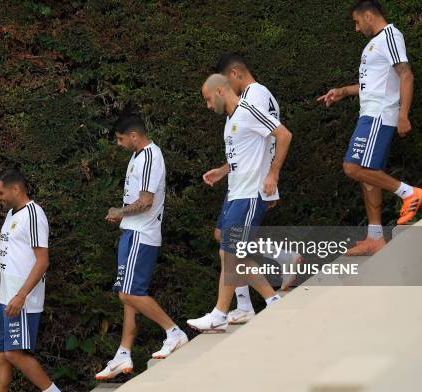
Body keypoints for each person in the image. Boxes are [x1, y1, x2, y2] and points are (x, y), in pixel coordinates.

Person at [317, 0, 422, 256]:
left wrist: (404, 114)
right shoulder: (373, 45)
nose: (356, 28)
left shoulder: (390, 35)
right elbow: (373, 86)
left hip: (379, 116)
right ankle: (375, 237)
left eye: (356, 22)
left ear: (368, 15)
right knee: (369, 176)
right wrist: (343, 91)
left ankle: (409, 193)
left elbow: (406, 74)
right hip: (369, 114)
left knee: (352, 168)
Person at [187, 74, 292, 333]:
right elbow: (244, 155)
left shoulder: (247, 110)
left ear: (221, 91)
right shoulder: (231, 119)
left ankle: (220, 313)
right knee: (230, 252)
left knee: (232, 251)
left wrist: (273, 174)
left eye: (208, 99)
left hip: (250, 195)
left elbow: (283, 134)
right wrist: (222, 172)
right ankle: (272, 299)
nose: (208, 106)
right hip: (235, 193)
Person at [95, 113, 188, 381]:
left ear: (134, 135)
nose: (119, 144)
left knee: (128, 293)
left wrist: (119, 212)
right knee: (129, 297)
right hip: (132, 233)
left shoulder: (149, 156)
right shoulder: (138, 157)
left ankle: (173, 332)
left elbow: (146, 201)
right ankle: (124, 352)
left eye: (121, 139)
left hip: (141, 234)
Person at [213, 53, 303, 325]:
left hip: (251, 183)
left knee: (231, 245)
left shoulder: (255, 95)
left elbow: (271, 138)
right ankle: (249, 299)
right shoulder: (257, 95)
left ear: (235, 74)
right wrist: (224, 169)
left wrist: (271, 178)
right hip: (245, 180)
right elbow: (249, 143)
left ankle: (250, 300)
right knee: (223, 237)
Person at [0, 169, 60, 392]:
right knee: (0, 355)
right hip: (6, 298)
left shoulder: (34, 214)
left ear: (16, 189)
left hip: (22, 300)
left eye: (0, 193)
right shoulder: (12, 214)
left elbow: (42, 261)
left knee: (14, 353)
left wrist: (21, 296)